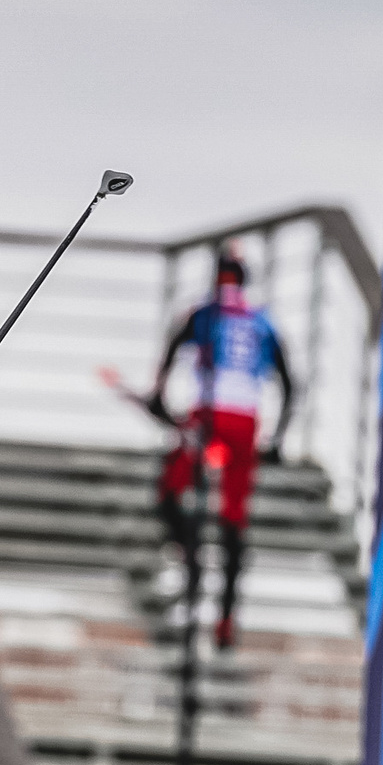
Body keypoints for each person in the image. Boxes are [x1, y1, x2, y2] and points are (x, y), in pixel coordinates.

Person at [149, 249, 294, 650]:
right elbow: (289, 382)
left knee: (170, 492)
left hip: (209, 414)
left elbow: (172, 351)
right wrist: (277, 440)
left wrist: (158, 399)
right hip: (245, 421)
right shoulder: (262, 320)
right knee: (234, 519)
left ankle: (191, 558)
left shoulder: (205, 313)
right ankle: (227, 615)